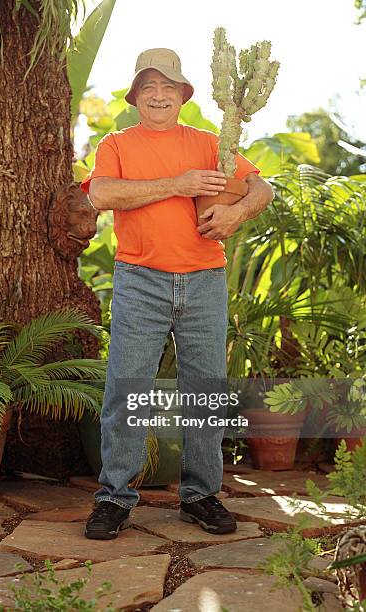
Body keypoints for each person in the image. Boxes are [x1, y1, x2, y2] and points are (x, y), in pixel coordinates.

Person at [80, 48, 274, 540]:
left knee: (205, 392)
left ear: (183, 95)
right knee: (126, 389)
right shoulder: (117, 144)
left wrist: (237, 213)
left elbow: (262, 189)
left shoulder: (212, 143)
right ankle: (115, 498)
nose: (159, 96)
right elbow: (102, 195)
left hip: (204, 280)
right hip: (139, 279)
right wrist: (179, 184)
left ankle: (201, 495)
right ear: (137, 97)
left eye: (168, 88)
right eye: (150, 89)